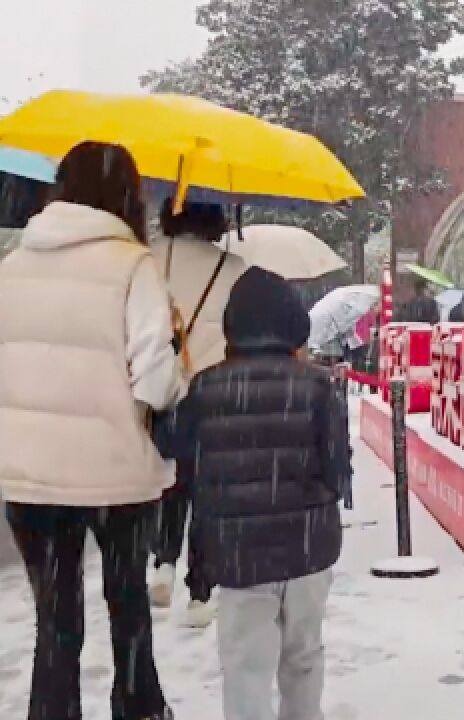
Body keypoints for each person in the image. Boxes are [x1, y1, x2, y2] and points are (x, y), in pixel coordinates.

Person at [0, 142, 183, 720]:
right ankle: (139, 707)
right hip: (115, 476)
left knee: (55, 616)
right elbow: (155, 384)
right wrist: (175, 350)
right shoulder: (132, 266)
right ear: (127, 196)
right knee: (127, 604)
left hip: (29, 475)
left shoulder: (12, 266)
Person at [171, 267, 350, 720]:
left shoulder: (206, 388)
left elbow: (180, 460)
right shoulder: (316, 386)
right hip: (308, 548)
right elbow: (337, 472)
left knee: (246, 669)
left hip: (238, 556)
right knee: (304, 659)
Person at [149, 198, 250, 628]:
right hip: (217, 393)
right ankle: (200, 592)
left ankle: (162, 564)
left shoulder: (150, 258)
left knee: (171, 480)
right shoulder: (234, 268)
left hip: (166, 387)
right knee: (208, 492)